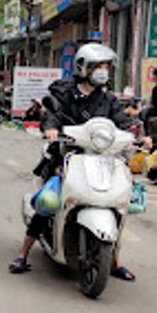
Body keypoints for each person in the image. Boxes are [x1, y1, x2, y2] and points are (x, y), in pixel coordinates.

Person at [8, 42, 136, 281]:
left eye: (106, 66)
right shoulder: (64, 92)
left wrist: (139, 136)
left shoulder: (108, 99)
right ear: (83, 67)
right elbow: (52, 115)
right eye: (98, 66)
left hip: (101, 159)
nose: (103, 71)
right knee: (49, 200)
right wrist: (51, 129)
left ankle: (115, 260)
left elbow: (123, 122)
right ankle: (23, 251)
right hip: (67, 155)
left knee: (120, 202)